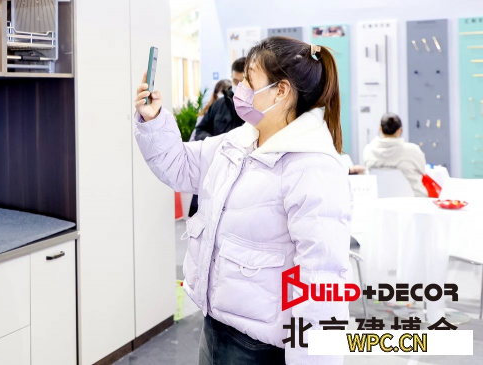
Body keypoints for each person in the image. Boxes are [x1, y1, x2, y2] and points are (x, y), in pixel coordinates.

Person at [134, 37, 352, 365]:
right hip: (217, 325)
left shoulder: (313, 166)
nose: (240, 89)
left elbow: (321, 278)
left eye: (249, 80)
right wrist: (153, 121)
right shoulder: (239, 141)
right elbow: (180, 166)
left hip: (260, 347)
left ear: (281, 91)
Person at [187, 60, 246, 216]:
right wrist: (215, 143)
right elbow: (201, 129)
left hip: (243, 176)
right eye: (236, 81)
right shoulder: (219, 105)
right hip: (216, 169)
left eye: (243, 81)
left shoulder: (258, 107)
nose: (239, 86)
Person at [362, 113, 427, 196]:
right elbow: (422, 171)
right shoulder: (413, 150)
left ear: (380, 129)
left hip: (379, 199)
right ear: (400, 130)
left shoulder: (368, 150)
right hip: (412, 200)